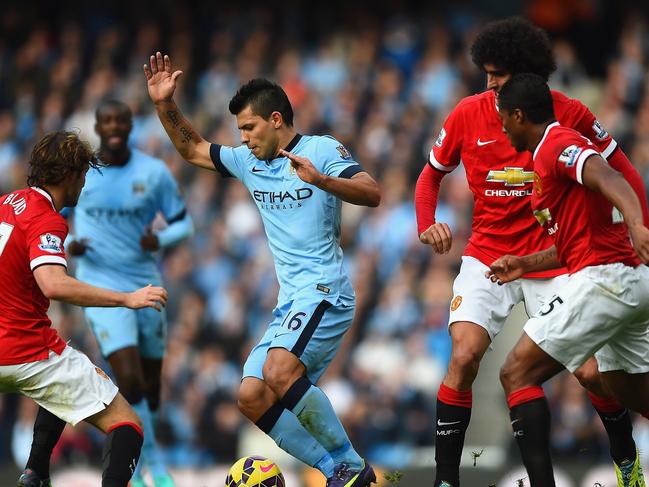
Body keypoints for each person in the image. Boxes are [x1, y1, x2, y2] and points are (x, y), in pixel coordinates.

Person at [414, 17, 649, 487]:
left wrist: (637, 228)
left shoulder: (566, 118)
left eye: (497, 74)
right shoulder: (468, 113)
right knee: (464, 357)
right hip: (490, 256)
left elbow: (621, 172)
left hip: (557, 259)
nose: (489, 84)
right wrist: (428, 225)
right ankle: (446, 480)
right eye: (485, 73)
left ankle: (628, 466)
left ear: (526, 79)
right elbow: (430, 175)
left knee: (590, 373)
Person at [143, 52, 380, 487]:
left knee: (277, 372)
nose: (244, 138)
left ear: (275, 119)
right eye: (240, 131)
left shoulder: (321, 150)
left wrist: (324, 182)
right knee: (251, 396)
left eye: (249, 128)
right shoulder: (248, 163)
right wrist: (164, 105)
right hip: (290, 300)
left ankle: (351, 462)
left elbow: (371, 191)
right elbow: (193, 148)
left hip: (326, 292)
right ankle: (334, 473)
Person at [19, 100, 193, 487]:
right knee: (127, 419)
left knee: (69, 372)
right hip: (29, 344)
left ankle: (35, 473)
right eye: (82, 175)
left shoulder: (7, 205)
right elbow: (53, 283)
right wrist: (125, 298)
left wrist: (158, 238)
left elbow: (183, 225)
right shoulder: (49, 219)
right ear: (70, 175)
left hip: (16, 346)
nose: (85, 183)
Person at [488, 72, 649, 487]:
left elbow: (608, 174)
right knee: (616, 383)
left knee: (516, 373)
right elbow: (572, 242)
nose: (502, 128)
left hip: (605, 279)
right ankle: (633, 477)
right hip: (627, 281)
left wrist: (637, 223)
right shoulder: (546, 156)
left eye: (504, 118)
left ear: (519, 115)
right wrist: (526, 262)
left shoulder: (560, 143)